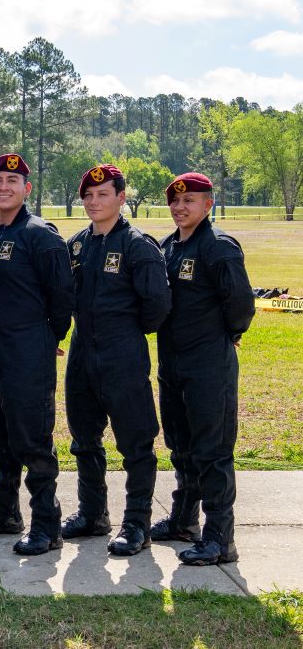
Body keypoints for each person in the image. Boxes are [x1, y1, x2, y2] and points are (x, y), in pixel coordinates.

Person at [0, 153, 74, 556]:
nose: (4, 187)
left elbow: (63, 297)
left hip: (29, 344)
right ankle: (4, 513)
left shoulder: (40, 235)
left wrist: (49, 339)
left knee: (32, 438)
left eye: (13, 180)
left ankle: (47, 524)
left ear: (27, 189)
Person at [61, 164, 171, 556]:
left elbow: (157, 306)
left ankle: (136, 524)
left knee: (136, 443)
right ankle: (93, 514)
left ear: (121, 198)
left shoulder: (138, 245)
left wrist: (124, 332)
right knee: (83, 439)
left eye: (102, 194)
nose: (93, 201)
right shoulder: (77, 245)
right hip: (82, 354)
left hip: (122, 354)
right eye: (88, 196)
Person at [153, 172, 255, 566]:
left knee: (213, 451)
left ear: (208, 204)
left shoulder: (218, 247)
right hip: (172, 363)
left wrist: (229, 334)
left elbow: (241, 304)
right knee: (181, 446)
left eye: (190, 201)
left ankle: (219, 538)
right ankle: (184, 521)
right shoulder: (169, 247)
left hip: (209, 365)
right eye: (175, 202)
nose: (180, 207)